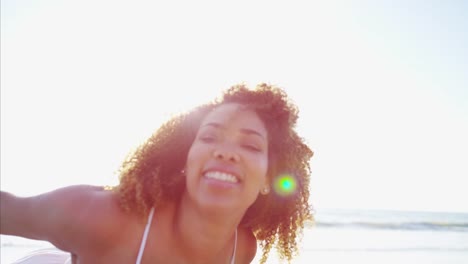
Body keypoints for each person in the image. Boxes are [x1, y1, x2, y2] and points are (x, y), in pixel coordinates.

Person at [1, 83, 314, 264]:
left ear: (267, 180)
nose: (225, 151)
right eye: (208, 137)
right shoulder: (101, 218)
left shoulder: (241, 249)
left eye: (250, 145)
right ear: (185, 158)